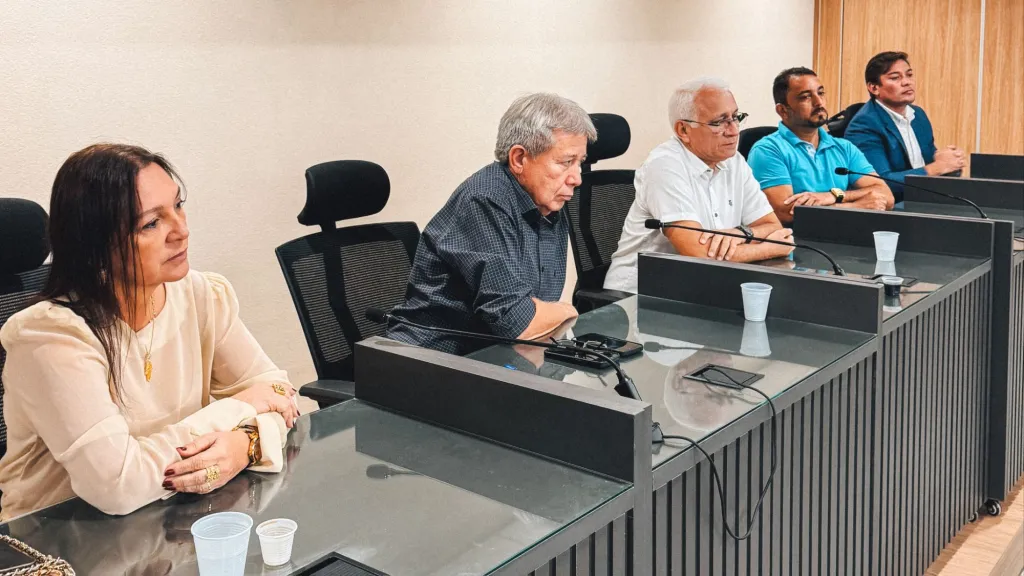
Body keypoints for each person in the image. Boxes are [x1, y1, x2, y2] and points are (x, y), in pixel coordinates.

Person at [0, 144, 299, 521]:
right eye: (151, 223)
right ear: (95, 245)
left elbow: (279, 394)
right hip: (58, 538)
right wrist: (240, 407)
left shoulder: (199, 295)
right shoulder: (49, 337)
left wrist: (247, 444)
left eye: (178, 205)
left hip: (167, 523)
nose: (182, 231)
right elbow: (118, 485)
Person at [388, 93, 590, 355]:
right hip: (433, 360)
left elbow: (535, 316)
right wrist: (567, 310)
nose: (577, 178)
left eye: (579, 163)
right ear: (519, 159)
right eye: (566, 162)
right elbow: (518, 323)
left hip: (499, 356)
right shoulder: (484, 200)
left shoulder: (549, 204)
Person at [603, 78, 795, 294]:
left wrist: (741, 233)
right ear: (684, 130)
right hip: (639, 295)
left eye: (735, 117)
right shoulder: (664, 165)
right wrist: (770, 248)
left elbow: (773, 227)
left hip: (702, 286)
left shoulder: (733, 161)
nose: (734, 131)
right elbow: (699, 254)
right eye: (719, 122)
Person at [747, 67, 894, 224]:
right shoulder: (767, 150)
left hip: (847, 232)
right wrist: (855, 206)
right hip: (798, 236)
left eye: (821, 93)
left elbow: (886, 197)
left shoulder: (844, 147)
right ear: (783, 110)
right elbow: (784, 213)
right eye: (805, 97)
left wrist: (832, 196)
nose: (819, 102)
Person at [844, 51, 965, 202]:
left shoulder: (918, 115)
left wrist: (950, 161)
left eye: (909, 75)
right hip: (892, 205)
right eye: (895, 78)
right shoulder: (864, 125)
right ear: (874, 88)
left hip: (924, 198)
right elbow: (880, 184)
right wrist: (936, 168)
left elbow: (931, 160)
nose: (907, 82)